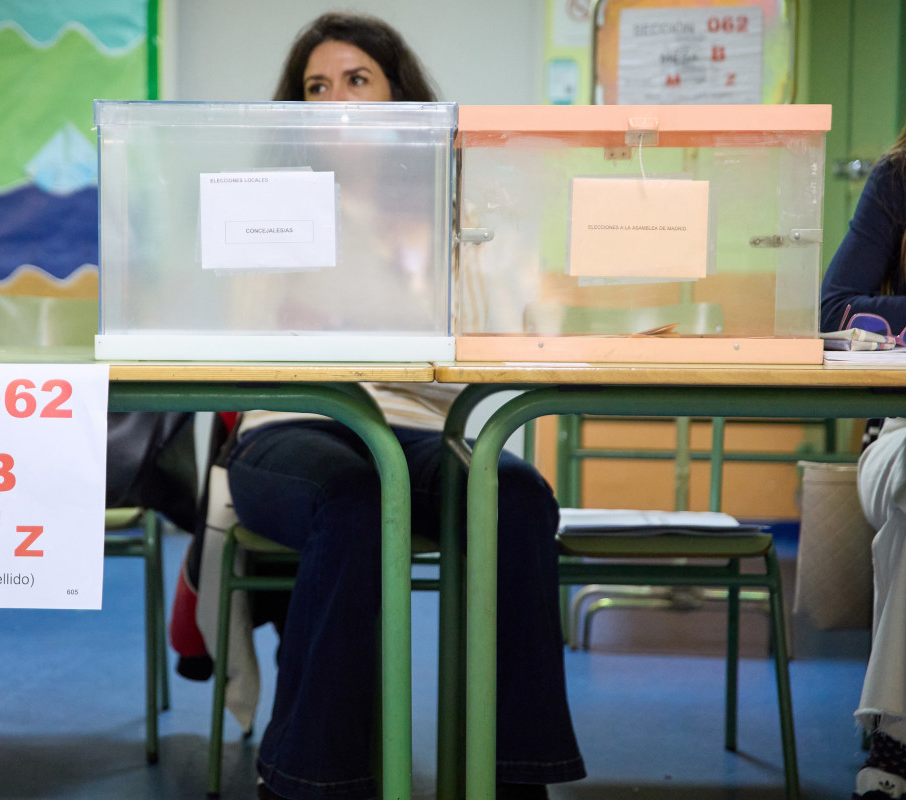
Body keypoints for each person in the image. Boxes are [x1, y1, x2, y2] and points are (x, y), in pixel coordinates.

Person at [226, 12, 584, 800]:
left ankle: (512, 774)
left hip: (424, 428)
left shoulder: (454, 208)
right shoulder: (268, 203)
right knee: (353, 499)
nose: (337, 101)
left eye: (358, 80)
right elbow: (237, 345)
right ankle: (308, 781)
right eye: (316, 87)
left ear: (400, 99)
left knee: (516, 497)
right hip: (290, 429)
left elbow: (484, 351)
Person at [819, 92, 906, 800]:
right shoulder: (904, 177)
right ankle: (896, 741)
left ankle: (894, 739)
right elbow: (836, 307)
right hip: (903, 433)